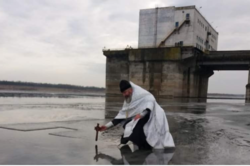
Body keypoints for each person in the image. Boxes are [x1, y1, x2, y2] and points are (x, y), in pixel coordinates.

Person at [96, 80, 175, 149]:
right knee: (127, 124)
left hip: (153, 114)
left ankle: (145, 147)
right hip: (140, 117)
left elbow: (150, 101)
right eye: (122, 93)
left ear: (130, 90)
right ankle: (138, 143)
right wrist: (106, 126)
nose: (124, 95)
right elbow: (121, 116)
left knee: (137, 127)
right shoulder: (128, 99)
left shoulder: (141, 94)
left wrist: (141, 114)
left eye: (124, 92)